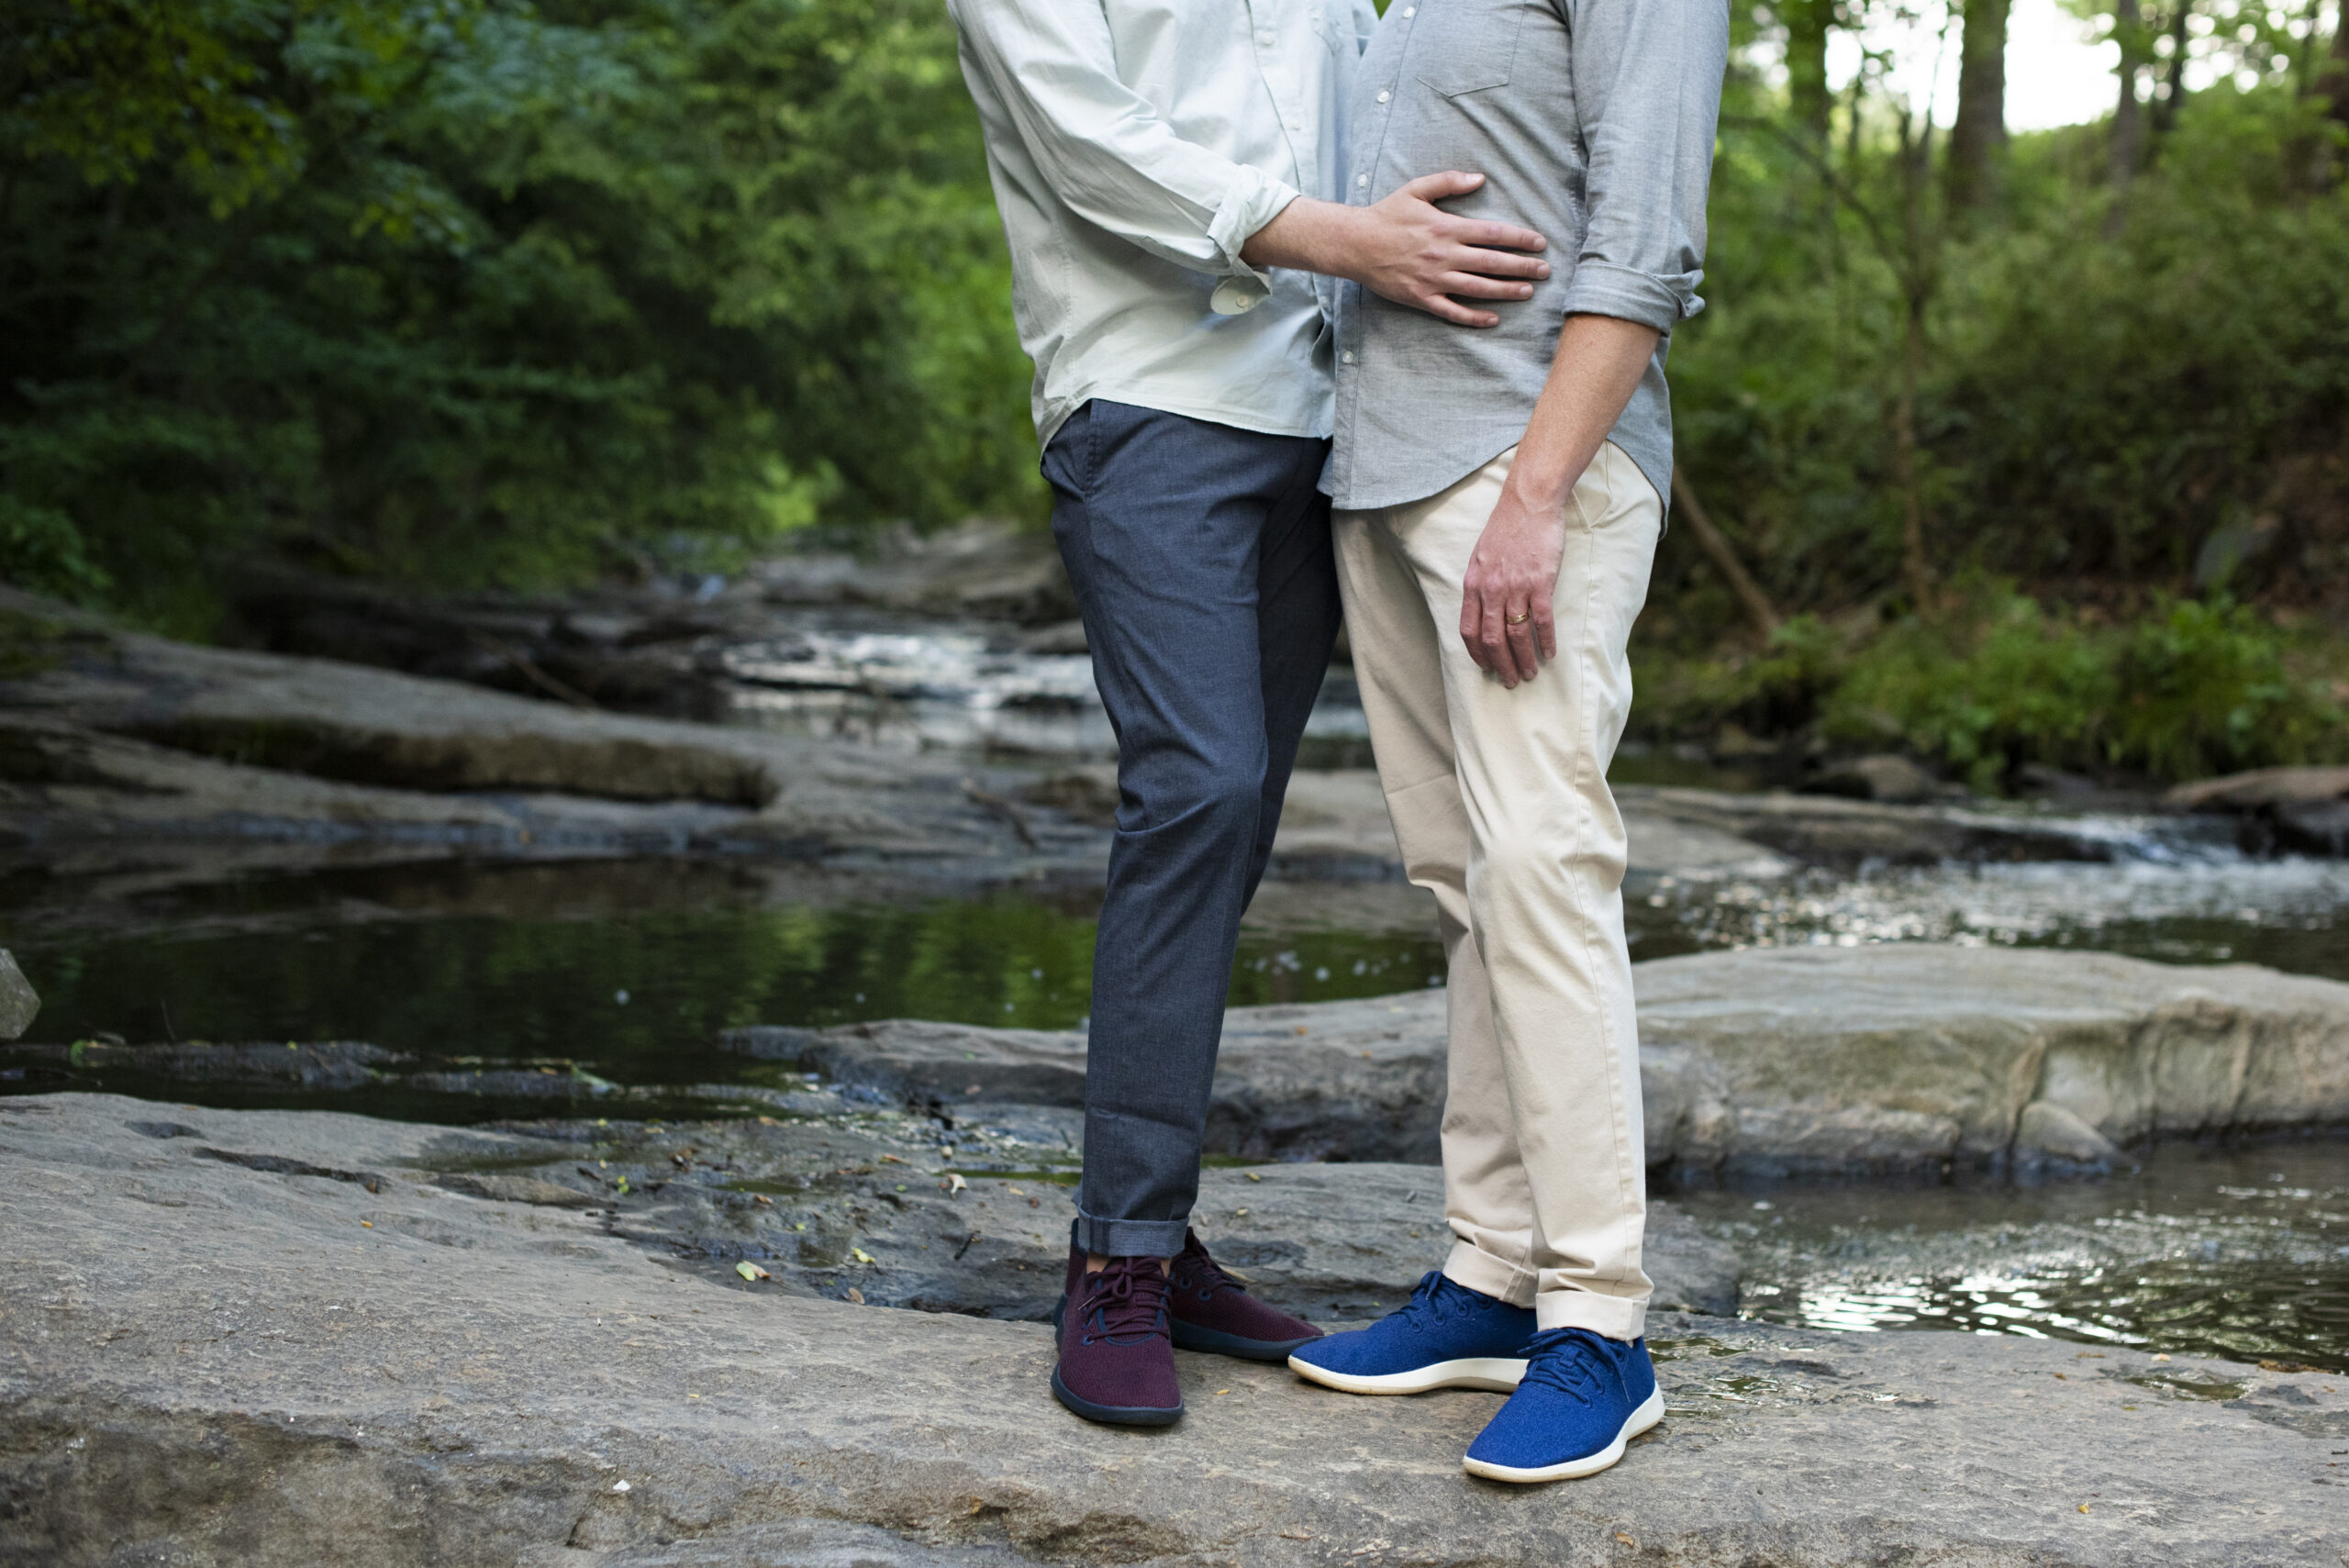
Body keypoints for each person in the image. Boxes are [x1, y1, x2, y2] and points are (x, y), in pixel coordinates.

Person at [947, 0, 1556, 1428]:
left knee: (1245, 822)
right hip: (1148, 402)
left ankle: (1166, 1236)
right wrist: (1347, 240)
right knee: (1201, 784)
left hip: (1351, 408)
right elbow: (1089, 141)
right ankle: (1115, 1258)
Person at [1283, 0, 1729, 1485]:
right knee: (1462, 877)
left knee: (1540, 868)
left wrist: (1540, 492)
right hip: (1384, 470)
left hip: (1528, 471)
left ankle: (1599, 1323)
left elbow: (1647, 235)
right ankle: (1490, 1274)